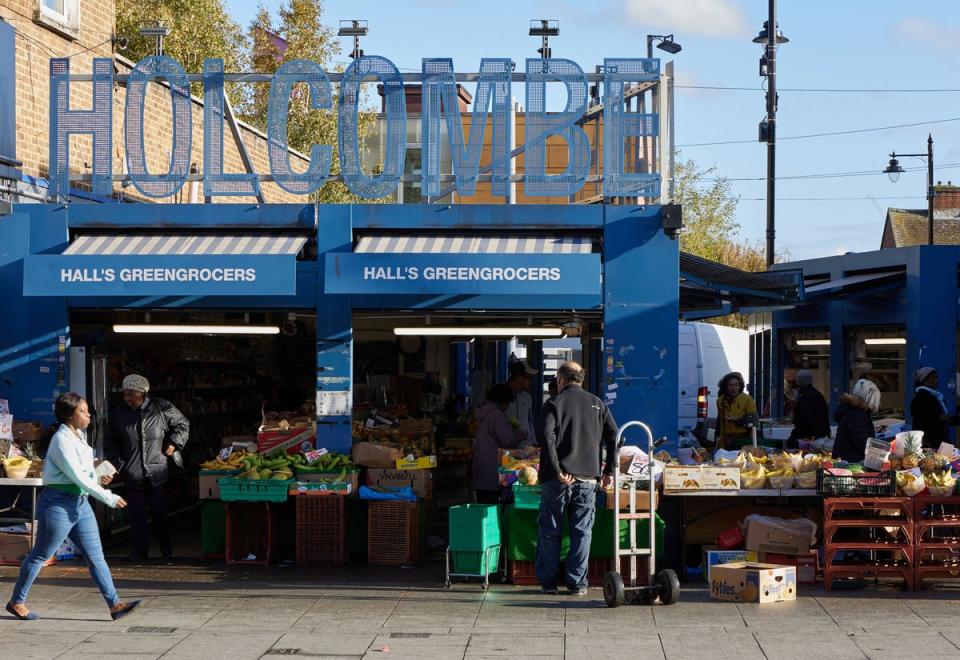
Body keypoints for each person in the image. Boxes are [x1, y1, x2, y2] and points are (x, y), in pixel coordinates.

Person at [7, 393, 141, 621]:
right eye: (83, 411)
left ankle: (115, 604)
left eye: (88, 410)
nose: (89, 414)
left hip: (80, 503)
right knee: (40, 555)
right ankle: (17, 601)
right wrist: (108, 496)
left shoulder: (77, 436)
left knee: (96, 556)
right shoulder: (61, 441)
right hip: (57, 505)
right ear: (69, 415)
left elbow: (84, 472)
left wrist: (98, 475)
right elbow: (78, 477)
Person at [537, 361, 618, 596]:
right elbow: (614, 436)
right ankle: (577, 584)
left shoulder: (553, 403)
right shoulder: (597, 403)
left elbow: (546, 438)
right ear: (580, 379)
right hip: (587, 480)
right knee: (582, 532)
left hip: (557, 480)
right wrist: (609, 471)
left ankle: (549, 583)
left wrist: (556, 469)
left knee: (550, 530)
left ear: (561, 380)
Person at [106, 374, 189, 562]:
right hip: (132, 472)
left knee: (159, 512)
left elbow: (182, 424)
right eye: (125, 394)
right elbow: (111, 442)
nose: (128, 399)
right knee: (136, 514)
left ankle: (166, 549)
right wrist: (120, 465)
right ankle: (139, 550)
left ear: (143, 393)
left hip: (156, 470)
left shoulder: (161, 407)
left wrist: (174, 443)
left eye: (132, 394)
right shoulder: (119, 414)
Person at [471, 384, 526, 504]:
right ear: (503, 401)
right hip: (493, 467)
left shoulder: (483, 412)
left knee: (483, 503)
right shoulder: (497, 415)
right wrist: (521, 434)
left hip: (481, 464)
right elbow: (508, 440)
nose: (507, 407)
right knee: (493, 505)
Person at [832, 378, 880, 463]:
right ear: (869, 398)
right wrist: (882, 452)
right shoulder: (856, 414)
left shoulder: (853, 411)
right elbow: (863, 445)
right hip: (850, 463)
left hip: (846, 460)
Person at [910, 367, 959, 449]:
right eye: (933, 378)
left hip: (940, 440)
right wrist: (942, 418)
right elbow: (923, 420)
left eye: (936, 378)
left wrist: (950, 419)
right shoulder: (922, 397)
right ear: (925, 381)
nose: (936, 380)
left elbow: (940, 419)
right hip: (930, 443)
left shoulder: (935, 396)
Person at [787, 370, 831, 447]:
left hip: (809, 439)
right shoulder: (818, 395)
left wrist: (792, 439)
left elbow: (803, 421)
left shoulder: (805, 398)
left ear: (799, 383)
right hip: (821, 436)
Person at [715, 372, 758, 449]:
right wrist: (718, 441)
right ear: (725, 386)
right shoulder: (720, 401)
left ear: (740, 386)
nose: (734, 388)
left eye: (736, 385)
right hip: (725, 442)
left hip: (743, 442)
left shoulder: (747, 399)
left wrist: (736, 419)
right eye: (730, 385)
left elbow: (754, 422)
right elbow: (720, 422)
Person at [506, 359, 538, 447]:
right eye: (529, 378)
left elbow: (530, 421)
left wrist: (534, 441)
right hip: (507, 448)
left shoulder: (527, 397)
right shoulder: (502, 395)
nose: (530, 381)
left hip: (526, 447)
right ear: (519, 377)